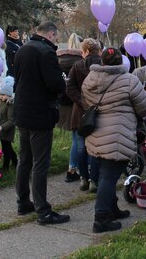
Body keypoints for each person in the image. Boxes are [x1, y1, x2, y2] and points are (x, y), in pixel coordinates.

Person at [81, 47, 146, 233]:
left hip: (96, 133)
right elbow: (144, 108)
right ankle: (101, 218)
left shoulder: (90, 79)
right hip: (118, 135)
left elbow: (86, 103)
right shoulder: (129, 80)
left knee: (106, 174)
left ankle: (112, 209)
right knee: (109, 177)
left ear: (102, 62)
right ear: (121, 62)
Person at [13, 21, 69, 225]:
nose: (57, 41)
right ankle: (43, 210)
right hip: (39, 112)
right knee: (40, 162)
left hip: (22, 109)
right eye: (56, 37)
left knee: (25, 159)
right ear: (52, 34)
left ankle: (23, 201)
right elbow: (54, 83)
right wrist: (63, 85)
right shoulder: (46, 52)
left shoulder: (23, 49)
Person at [67, 38, 104, 192]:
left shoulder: (77, 66)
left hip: (81, 112)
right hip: (99, 110)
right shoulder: (104, 66)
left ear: (87, 51)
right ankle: (94, 180)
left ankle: (83, 178)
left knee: (81, 146)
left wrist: (82, 101)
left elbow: (69, 88)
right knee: (96, 148)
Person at [57, 33, 84, 183]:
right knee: (79, 138)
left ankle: (73, 167)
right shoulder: (80, 63)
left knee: (75, 137)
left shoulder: (59, 60)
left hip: (63, 103)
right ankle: (74, 168)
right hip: (77, 103)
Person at [0, 76, 17, 171]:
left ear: (8, 95)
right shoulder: (1, 102)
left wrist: (2, 127)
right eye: (0, 94)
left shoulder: (10, 105)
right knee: (7, 148)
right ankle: (15, 162)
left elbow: (11, 120)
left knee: (7, 149)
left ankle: (6, 166)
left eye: (3, 95)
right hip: (1, 129)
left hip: (6, 130)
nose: (0, 96)